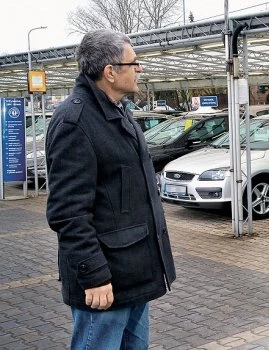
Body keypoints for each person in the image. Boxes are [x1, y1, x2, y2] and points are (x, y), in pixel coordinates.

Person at [46, 29, 176, 349]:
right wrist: (93, 275)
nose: (139, 69)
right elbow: (68, 212)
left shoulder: (119, 112)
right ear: (110, 72)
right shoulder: (74, 121)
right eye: (133, 63)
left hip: (134, 273)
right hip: (105, 282)